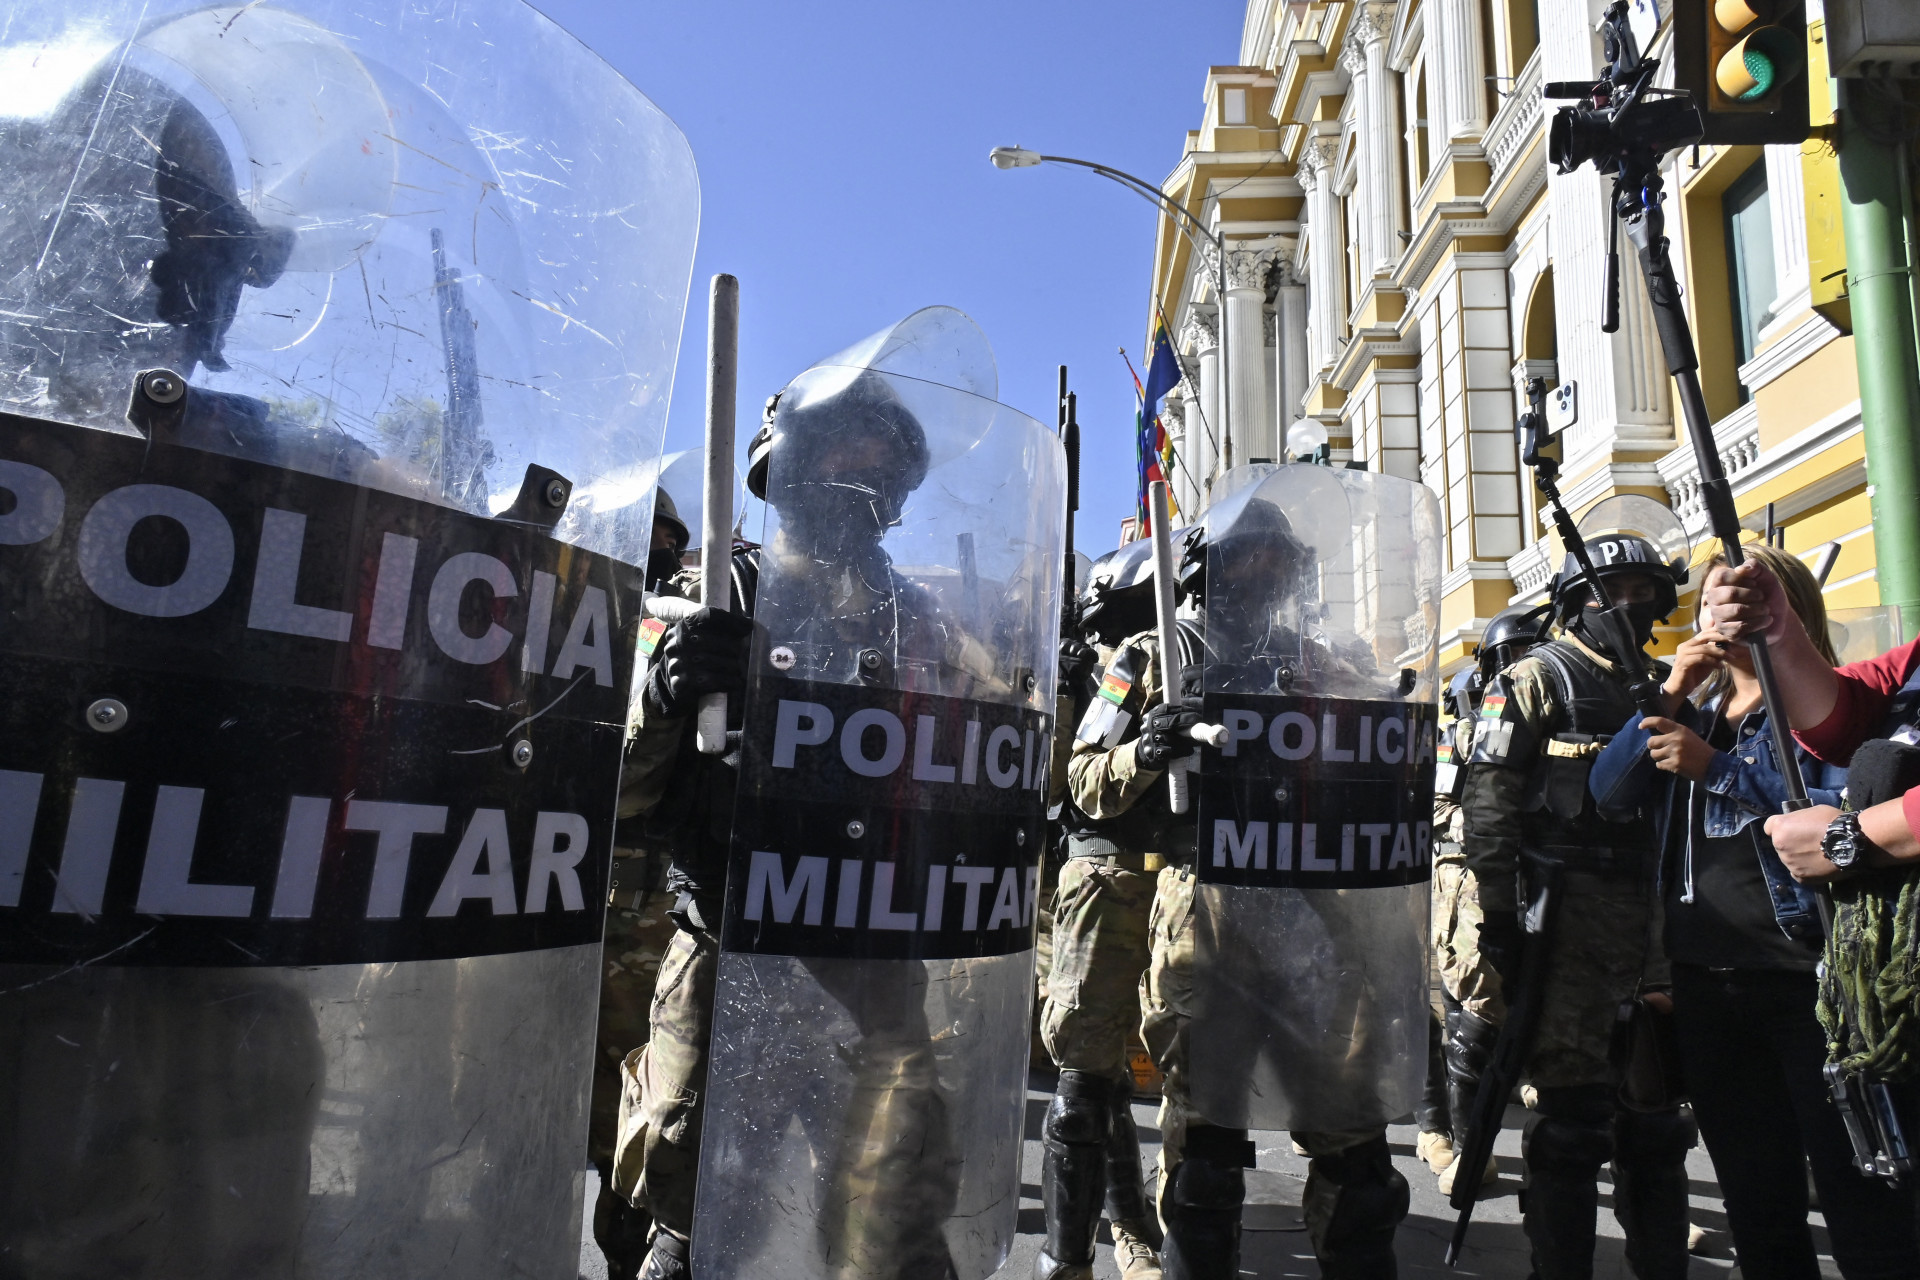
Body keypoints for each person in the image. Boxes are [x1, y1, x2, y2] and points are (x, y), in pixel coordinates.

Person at [1589, 542, 1920, 1280]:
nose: (1721, 613)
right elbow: (1609, 794)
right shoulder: (1698, 709)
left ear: (1784, 612)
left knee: (1860, 1195)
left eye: (1738, 599)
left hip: (1809, 983)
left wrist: (1720, 771)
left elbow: (1838, 820)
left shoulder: (1825, 709)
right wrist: (1672, 685)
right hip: (1707, 980)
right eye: (1710, 601)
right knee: (1755, 1199)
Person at [1105, 494, 1413, 1280]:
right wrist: (1146, 749)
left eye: (1279, 558)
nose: (1264, 571)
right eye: (1248, 555)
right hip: (1204, 923)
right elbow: (1081, 782)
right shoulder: (1154, 654)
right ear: (1209, 568)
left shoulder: (1314, 658)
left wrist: (1376, 711)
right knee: (1206, 1168)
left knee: (1361, 1167)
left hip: (1314, 926)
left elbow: (1375, 771)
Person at [1460, 522, 1697, 1280]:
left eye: (1640, 593)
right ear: (1574, 603)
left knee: (1657, 1123)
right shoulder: (1537, 678)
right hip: (1565, 928)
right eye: (1610, 592)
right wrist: (1496, 915)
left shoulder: (1672, 684)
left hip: (1657, 925)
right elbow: (1488, 801)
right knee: (1569, 1124)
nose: (1626, 605)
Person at [1035, 539, 1176, 1280]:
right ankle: (1096, 1245)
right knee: (1090, 1074)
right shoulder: (1103, 667)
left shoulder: (1187, 653)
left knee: (1166, 1068)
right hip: (1106, 875)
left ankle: (1142, 1227)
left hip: (1186, 883)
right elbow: (1070, 785)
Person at [589, 491, 696, 1279]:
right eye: (656, 529)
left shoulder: (675, 620)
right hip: (568, 898)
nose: (665, 541)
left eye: (673, 533)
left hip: (651, 914)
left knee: (643, 1136)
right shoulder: (571, 608)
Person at [1424, 606, 1544, 1191]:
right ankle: (1471, 1153)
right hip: (1475, 882)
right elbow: (1442, 811)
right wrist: (1505, 824)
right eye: (1513, 658)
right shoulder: (1466, 730)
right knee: (1477, 1016)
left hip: (1554, 881)